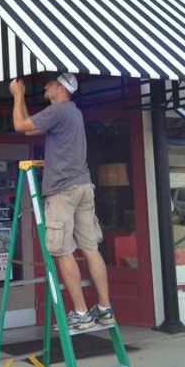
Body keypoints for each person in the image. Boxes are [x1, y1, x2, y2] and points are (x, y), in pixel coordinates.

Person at [9, 73, 114, 330]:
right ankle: (104, 309)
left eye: (50, 83)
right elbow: (28, 128)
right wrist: (20, 99)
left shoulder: (58, 110)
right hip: (83, 187)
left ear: (61, 88)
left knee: (63, 250)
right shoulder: (73, 113)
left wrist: (18, 95)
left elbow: (18, 126)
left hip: (62, 190)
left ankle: (80, 313)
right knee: (90, 247)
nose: (45, 86)